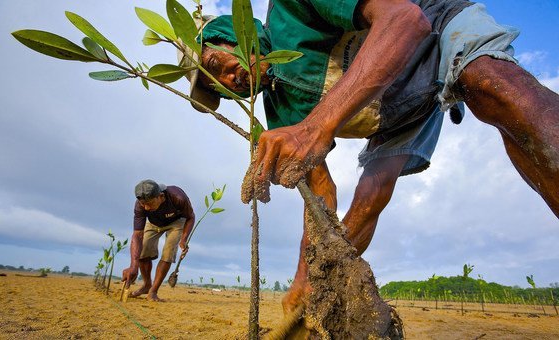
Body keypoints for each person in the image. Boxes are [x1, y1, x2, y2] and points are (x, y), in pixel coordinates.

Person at [182, 0, 559, 313]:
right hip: (399, 114)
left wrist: (316, 127)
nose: (228, 83)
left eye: (217, 66)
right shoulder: (278, 106)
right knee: (367, 202)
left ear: (233, 34)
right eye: (218, 89)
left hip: (435, 21)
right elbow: (320, 195)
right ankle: (323, 303)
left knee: (495, 88)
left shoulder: (290, 8)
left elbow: (406, 21)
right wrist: (304, 281)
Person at [122, 179, 195, 301]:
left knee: (168, 252)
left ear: (161, 197)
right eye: (143, 204)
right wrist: (133, 266)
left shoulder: (178, 197)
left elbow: (191, 217)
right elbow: (137, 235)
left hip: (176, 223)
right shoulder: (140, 206)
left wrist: (184, 239)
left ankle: (153, 291)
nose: (145, 207)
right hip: (154, 223)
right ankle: (146, 285)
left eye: (149, 204)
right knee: (143, 250)